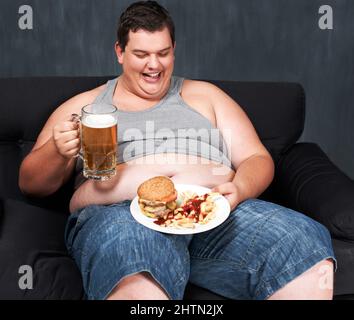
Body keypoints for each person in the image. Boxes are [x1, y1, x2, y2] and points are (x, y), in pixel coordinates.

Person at [19, 0, 336, 300]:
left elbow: (257, 158)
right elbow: (31, 184)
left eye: (163, 53)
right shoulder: (85, 106)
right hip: (121, 214)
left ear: (174, 51)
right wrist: (58, 152)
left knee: (304, 243)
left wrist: (240, 187)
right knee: (137, 260)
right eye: (141, 54)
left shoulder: (206, 95)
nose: (154, 65)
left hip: (210, 213)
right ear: (120, 52)